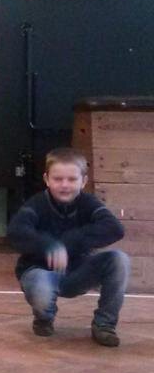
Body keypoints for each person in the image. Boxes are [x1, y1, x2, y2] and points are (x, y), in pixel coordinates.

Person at [8, 147, 128, 347]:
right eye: (58, 179)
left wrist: (70, 241)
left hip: (77, 273)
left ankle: (104, 325)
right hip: (39, 271)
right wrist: (49, 245)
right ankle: (44, 317)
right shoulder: (36, 204)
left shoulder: (89, 203)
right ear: (47, 179)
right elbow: (16, 231)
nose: (65, 185)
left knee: (119, 260)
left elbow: (115, 228)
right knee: (40, 285)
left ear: (84, 181)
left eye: (72, 179)